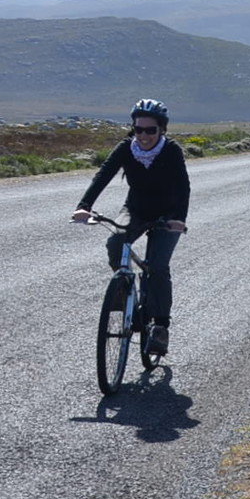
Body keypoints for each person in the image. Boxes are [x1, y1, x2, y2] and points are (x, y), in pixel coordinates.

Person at [71, 98, 190, 357]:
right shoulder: (126, 148)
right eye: (139, 129)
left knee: (157, 267)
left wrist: (178, 218)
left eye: (151, 130)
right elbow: (104, 174)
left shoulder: (171, 151)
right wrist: (85, 206)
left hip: (167, 214)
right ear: (133, 128)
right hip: (135, 209)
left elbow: (183, 187)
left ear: (162, 130)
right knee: (116, 242)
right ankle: (124, 292)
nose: (144, 135)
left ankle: (160, 327)